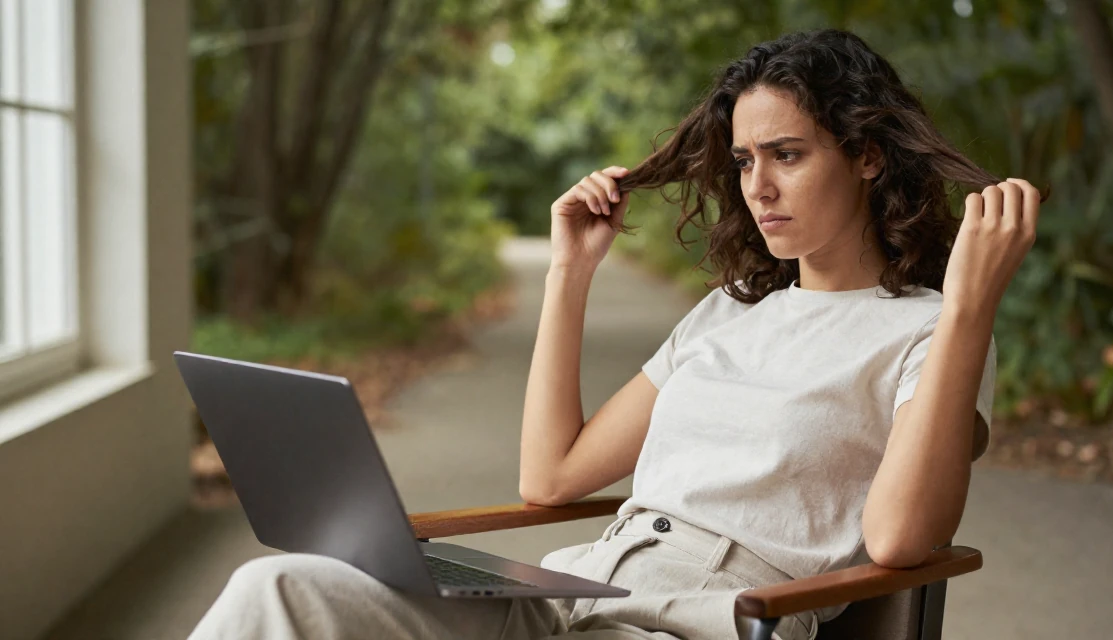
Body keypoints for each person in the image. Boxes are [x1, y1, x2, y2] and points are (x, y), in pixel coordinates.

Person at [189, 28, 1043, 640]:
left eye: (787, 154)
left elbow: (900, 540)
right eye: (744, 161)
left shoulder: (928, 330)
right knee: (281, 588)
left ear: (866, 156)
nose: (759, 187)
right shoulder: (730, 310)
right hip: (572, 593)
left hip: (702, 621)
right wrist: (569, 274)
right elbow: (550, 476)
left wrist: (968, 309)